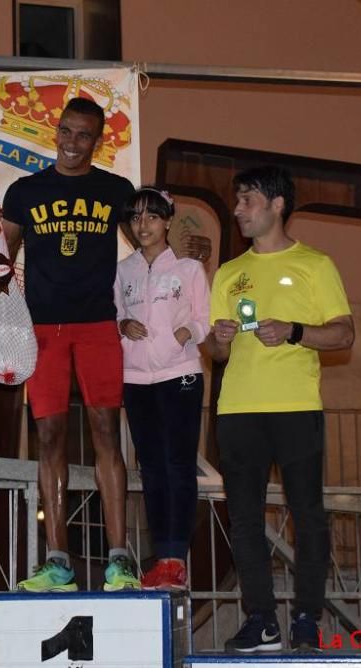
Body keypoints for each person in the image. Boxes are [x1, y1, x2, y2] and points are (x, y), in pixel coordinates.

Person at [0, 96, 142, 592]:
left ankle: (119, 559)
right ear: (57, 132)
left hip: (96, 326)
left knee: (107, 432)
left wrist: (184, 247)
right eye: (66, 131)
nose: (71, 142)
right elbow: (2, 253)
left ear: (98, 140)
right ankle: (57, 560)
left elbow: (147, 238)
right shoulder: (26, 191)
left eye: (83, 134)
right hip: (41, 330)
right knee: (49, 438)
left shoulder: (115, 190)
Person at [204, 166, 354, 652]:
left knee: (307, 515)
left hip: (295, 408)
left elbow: (344, 333)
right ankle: (262, 621)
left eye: (247, 200)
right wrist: (218, 340)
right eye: (237, 201)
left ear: (276, 205)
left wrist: (294, 330)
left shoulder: (316, 264)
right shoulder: (228, 272)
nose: (238, 210)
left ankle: (307, 616)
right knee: (244, 518)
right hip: (237, 411)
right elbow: (218, 353)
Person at [114, 187, 210, 591]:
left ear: (168, 221)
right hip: (136, 378)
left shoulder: (188, 270)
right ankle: (160, 558)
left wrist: (179, 336)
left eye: (152, 217)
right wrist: (123, 327)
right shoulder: (123, 271)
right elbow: (116, 312)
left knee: (178, 465)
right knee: (150, 468)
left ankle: (177, 557)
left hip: (181, 374)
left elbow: (204, 320)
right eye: (136, 218)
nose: (143, 225)